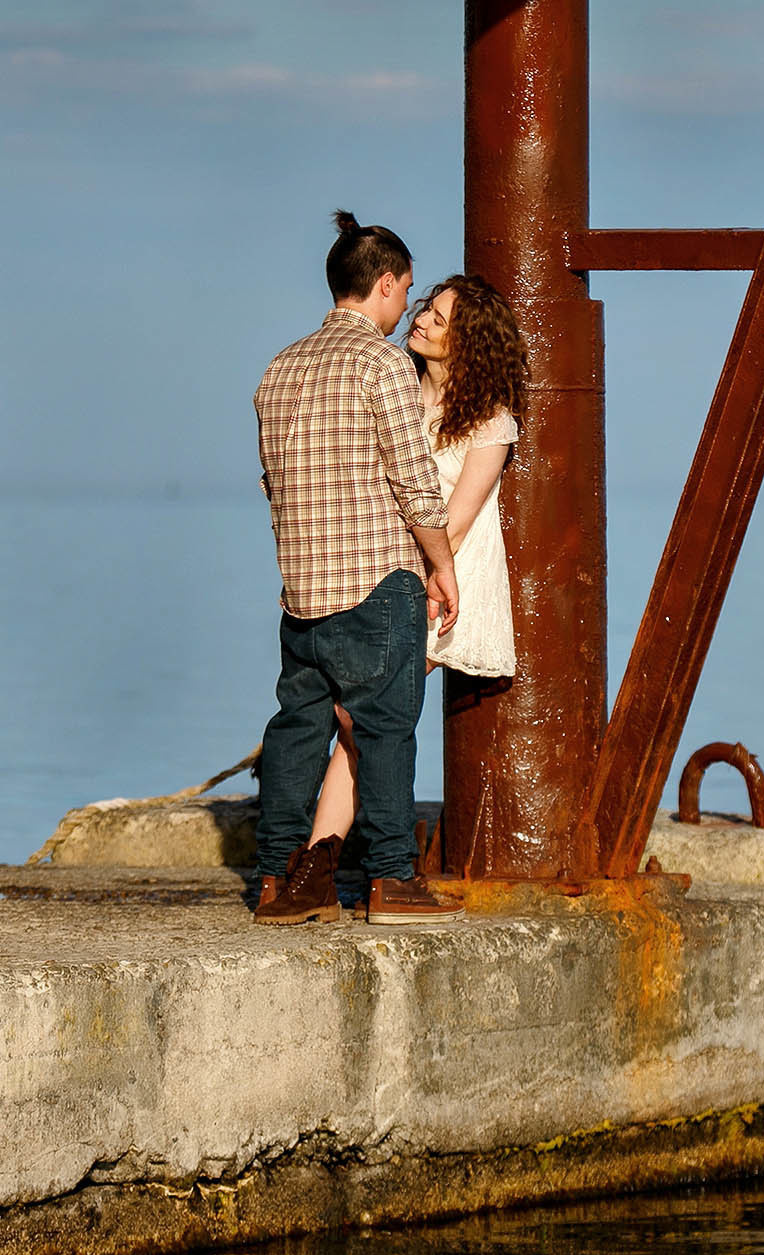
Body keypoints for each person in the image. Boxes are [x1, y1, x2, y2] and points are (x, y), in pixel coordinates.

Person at [251, 212, 466, 926]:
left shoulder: (279, 367)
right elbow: (413, 480)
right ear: (381, 284)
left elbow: (270, 481)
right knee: (384, 731)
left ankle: (278, 878)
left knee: (297, 731)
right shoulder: (381, 364)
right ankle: (390, 878)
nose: (406, 303)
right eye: (405, 289)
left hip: (302, 590)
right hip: (377, 581)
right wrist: (441, 567)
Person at [301, 274, 527, 857]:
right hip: (387, 575)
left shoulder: (490, 420)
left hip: (447, 579)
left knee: (360, 715)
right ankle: (319, 860)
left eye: (439, 319)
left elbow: (458, 517)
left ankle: (348, 858)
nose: (421, 320)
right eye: (425, 308)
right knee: (358, 719)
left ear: (467, 342)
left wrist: (419, 571)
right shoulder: (397, 388)